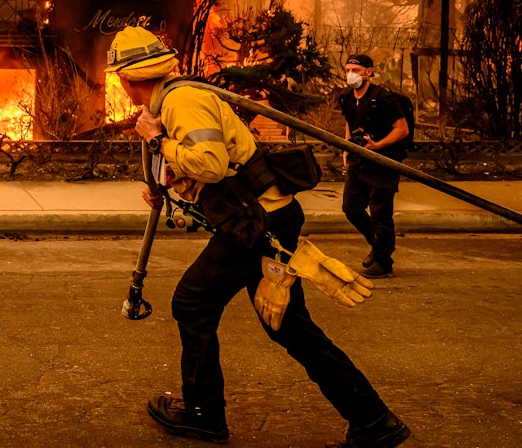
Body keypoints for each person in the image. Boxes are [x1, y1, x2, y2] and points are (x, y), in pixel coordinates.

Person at [105, 26, 410, 447]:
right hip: (266, 218)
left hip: (256, 225)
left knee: (192, 302)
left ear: (127, 78)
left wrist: (156, 140)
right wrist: (173, 183)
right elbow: (217, 167)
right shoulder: (177, 98)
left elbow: (209, 164)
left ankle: (203, 414)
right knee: (288, 326)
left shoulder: (182, 101)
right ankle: (374, 420)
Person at [337, 53, 410, 279]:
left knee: (380, 213)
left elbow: (402, 129)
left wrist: (378, 145)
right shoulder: (347, 97)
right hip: (358, 162)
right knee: (351, 208)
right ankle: (378, 246)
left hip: (383, 163)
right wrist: (346, 148)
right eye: (348, 70)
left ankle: (383, 261)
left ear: (369, 72)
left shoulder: (383, 98)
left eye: (356, 71)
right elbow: (350, 124)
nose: (351, 75)